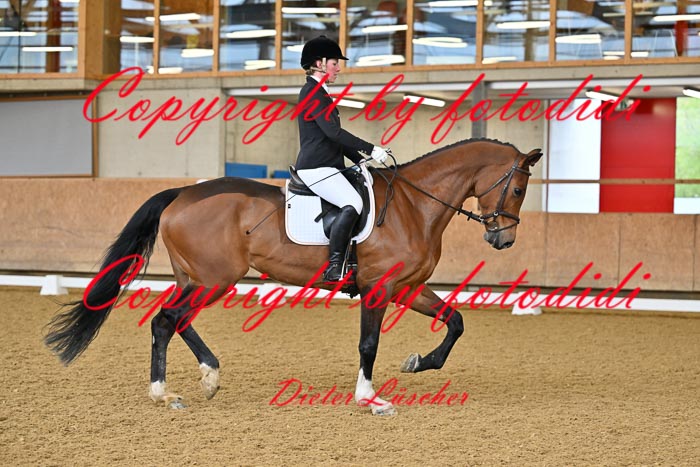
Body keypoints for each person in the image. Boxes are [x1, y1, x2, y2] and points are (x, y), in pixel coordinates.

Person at [294, 35, 390, 283]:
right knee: (352, 203)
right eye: (334, 63)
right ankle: (335, 265)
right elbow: (333, 133)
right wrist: (371, 149)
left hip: (329, 166)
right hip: (316, 167)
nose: (338, 68)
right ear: (319, 63)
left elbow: (333, 139)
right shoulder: (313, 93)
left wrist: (359, 160)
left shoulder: (320, 93)